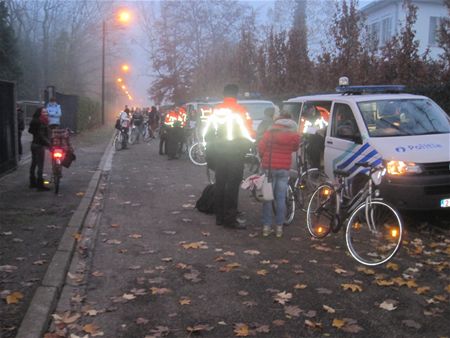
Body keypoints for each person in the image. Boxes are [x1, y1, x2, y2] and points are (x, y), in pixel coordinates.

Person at [203, 84, 254, 229]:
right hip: (235, 154)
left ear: (223, 94)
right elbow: (248, 133)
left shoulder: (216, 110)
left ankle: (219, 217)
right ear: (236, 94)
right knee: (232, 185)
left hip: (219, 153)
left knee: (220, 183)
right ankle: (230, 218)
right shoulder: (241, 110)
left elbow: (207, 131)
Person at [258, 113, 300, 237]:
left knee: (267, 198)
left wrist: (263, 156)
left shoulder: (270, 132)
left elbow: (261, 147)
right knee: (281, 198)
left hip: (269, 168)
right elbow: (295, 148)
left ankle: (266, 227)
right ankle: (279, 228)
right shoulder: (294, 134)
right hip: (284, 168)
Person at [28, 107, 51, 191]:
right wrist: (49, 144)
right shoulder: (41, 122)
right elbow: (42, 135)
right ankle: (40, 185)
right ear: (40, 113)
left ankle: (32, 182)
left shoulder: (34, 120)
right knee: (40, 165)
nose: (46, 113)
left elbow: (30, 131)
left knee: (33, 163)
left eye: (46, 112)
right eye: (44, 112)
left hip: (33, 144)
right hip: (39, 146)